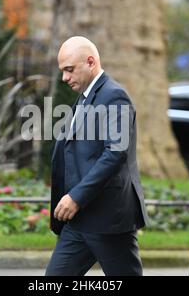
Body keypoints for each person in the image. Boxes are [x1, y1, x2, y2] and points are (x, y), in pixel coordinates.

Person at [46, 36, 148, 276]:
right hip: (79, 220)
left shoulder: (114, 96)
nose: (64, 77)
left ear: (90, 62)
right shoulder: (85, 96)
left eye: (69, 70)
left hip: (107, 220)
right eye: (62, 71)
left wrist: (76, 197)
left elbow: (116, 152)